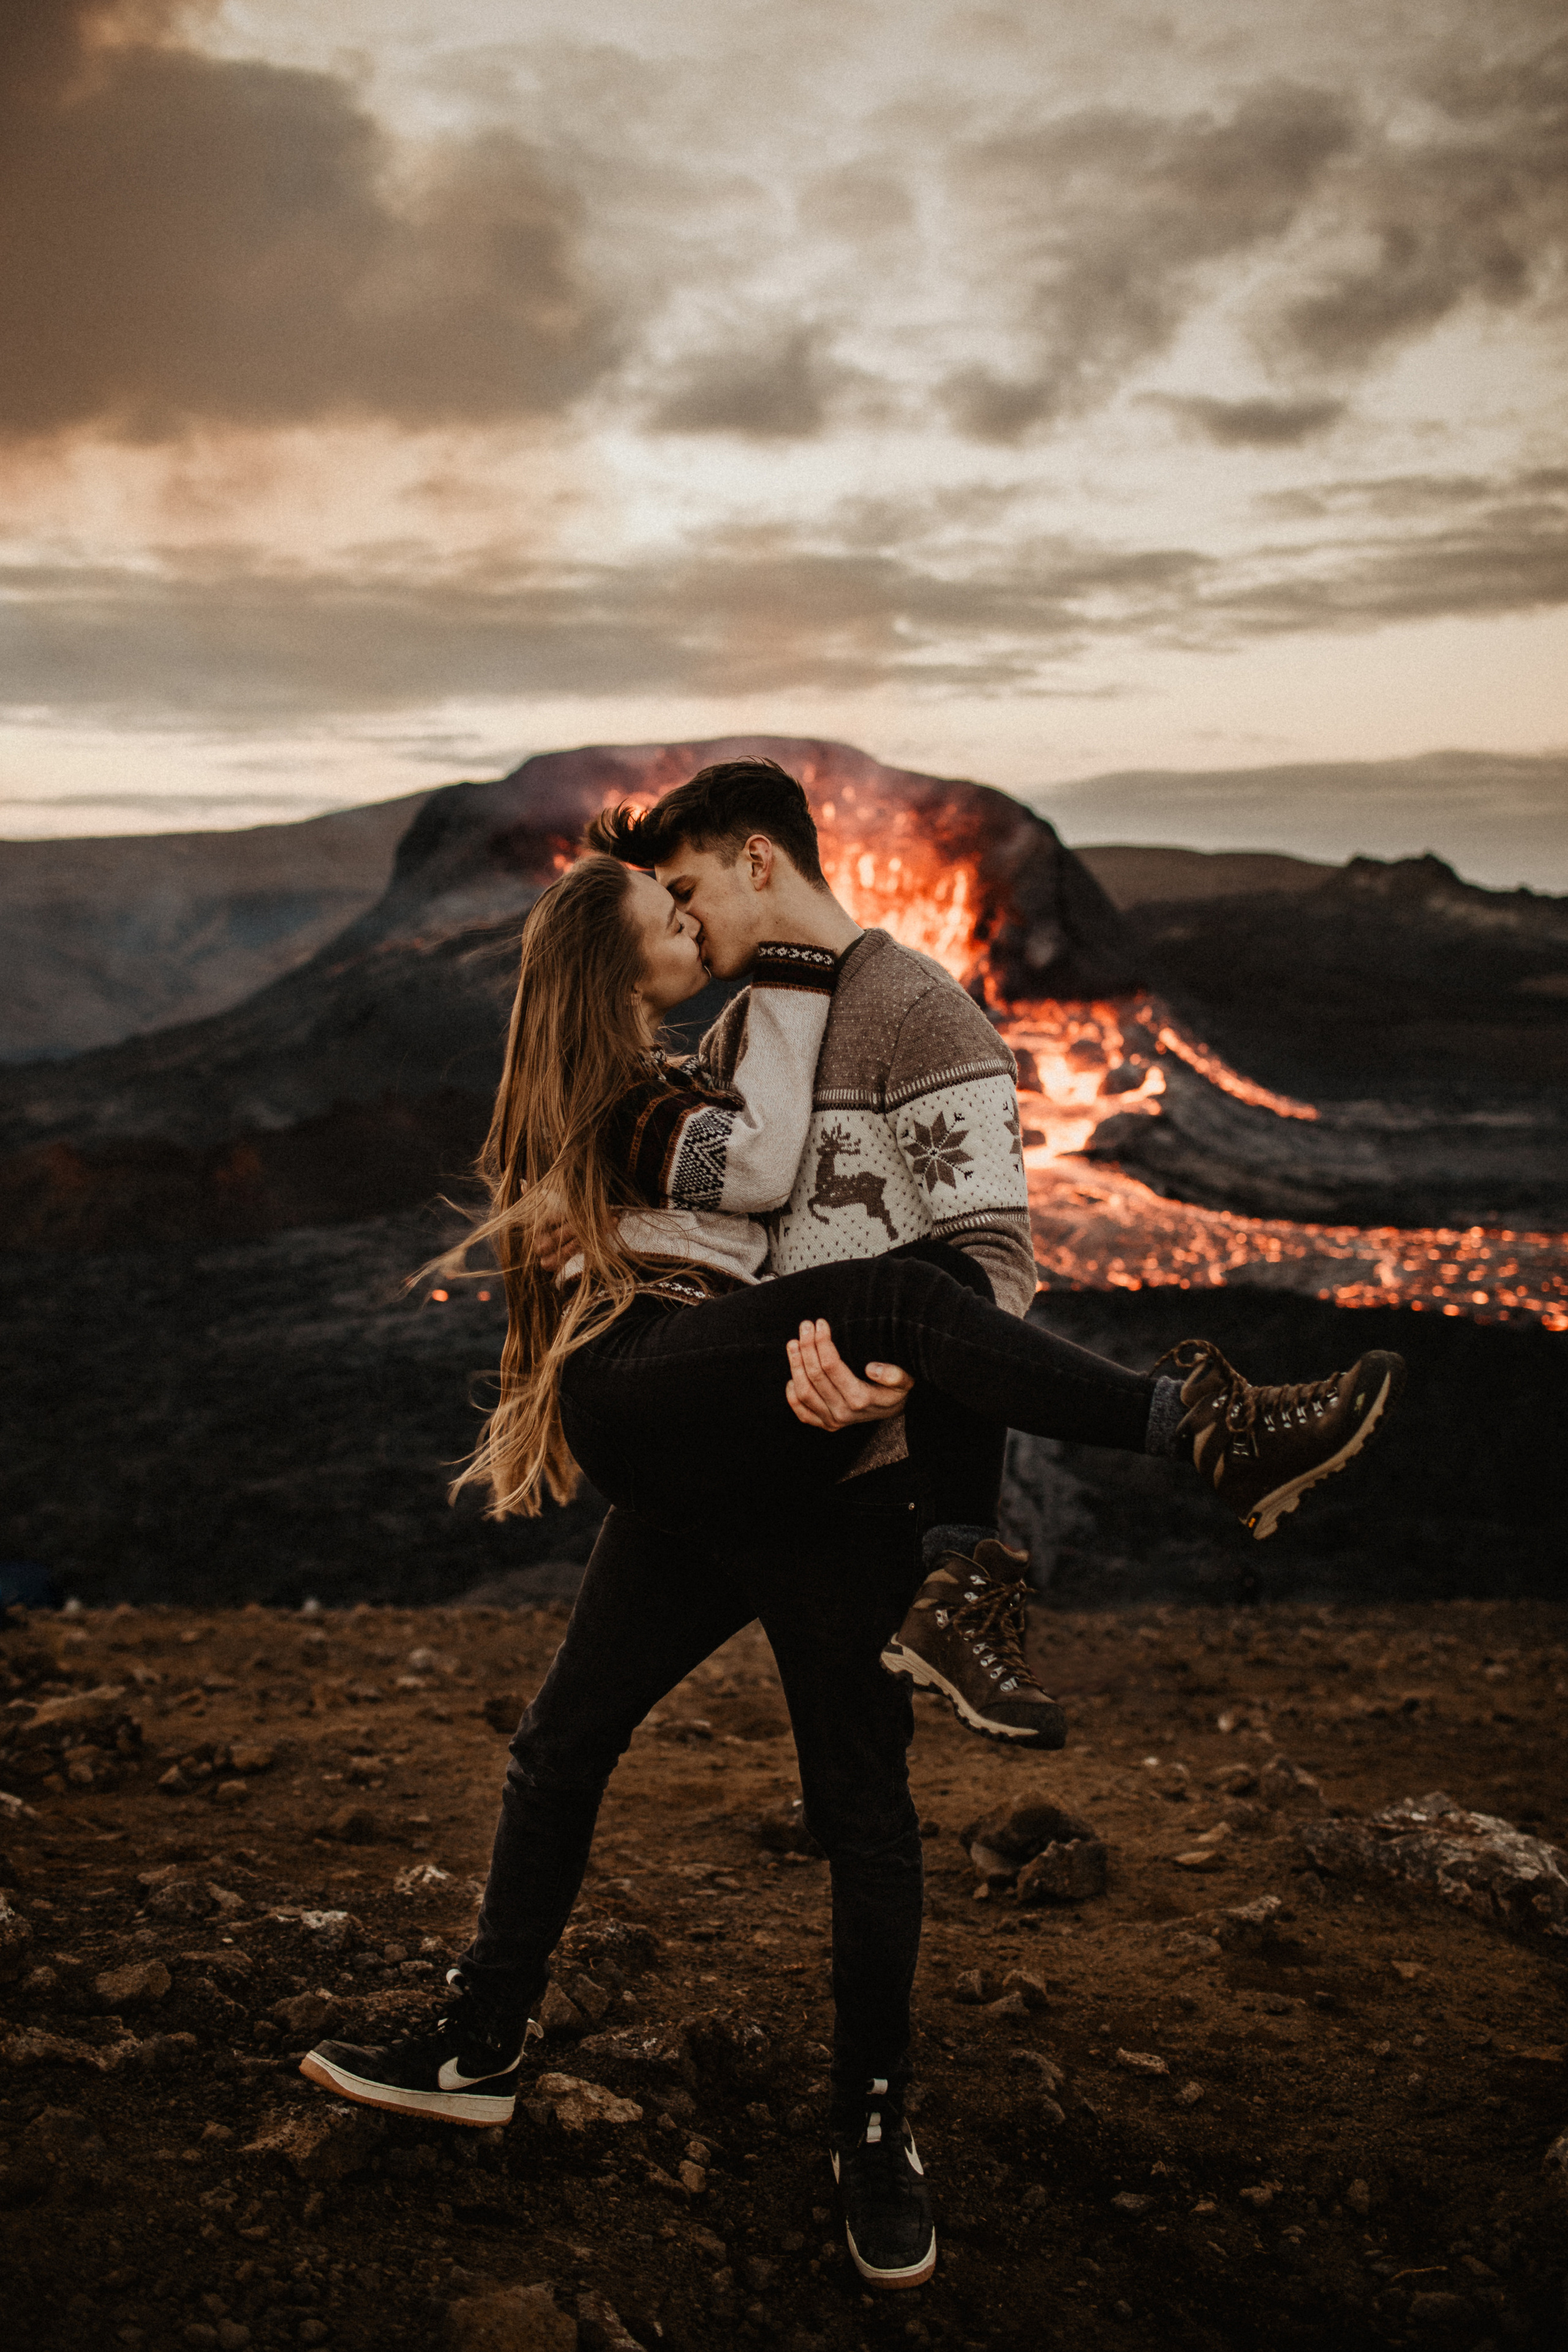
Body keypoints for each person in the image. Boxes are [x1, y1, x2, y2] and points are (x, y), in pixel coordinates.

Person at [302, 762, 1404, 2290]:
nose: (682, 918)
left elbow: (988, 1269)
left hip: (828, 1474)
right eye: (660, 910)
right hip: (706, 1438)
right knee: (594, 1719)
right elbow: (752, 1203)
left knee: (842, 1807)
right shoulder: (735, 1028)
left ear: (757, 863)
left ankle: (866, 2128)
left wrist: (860, 1385)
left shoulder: (913, 1010)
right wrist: (769, 1319)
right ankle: (1190, 1433)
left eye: (688, 888)